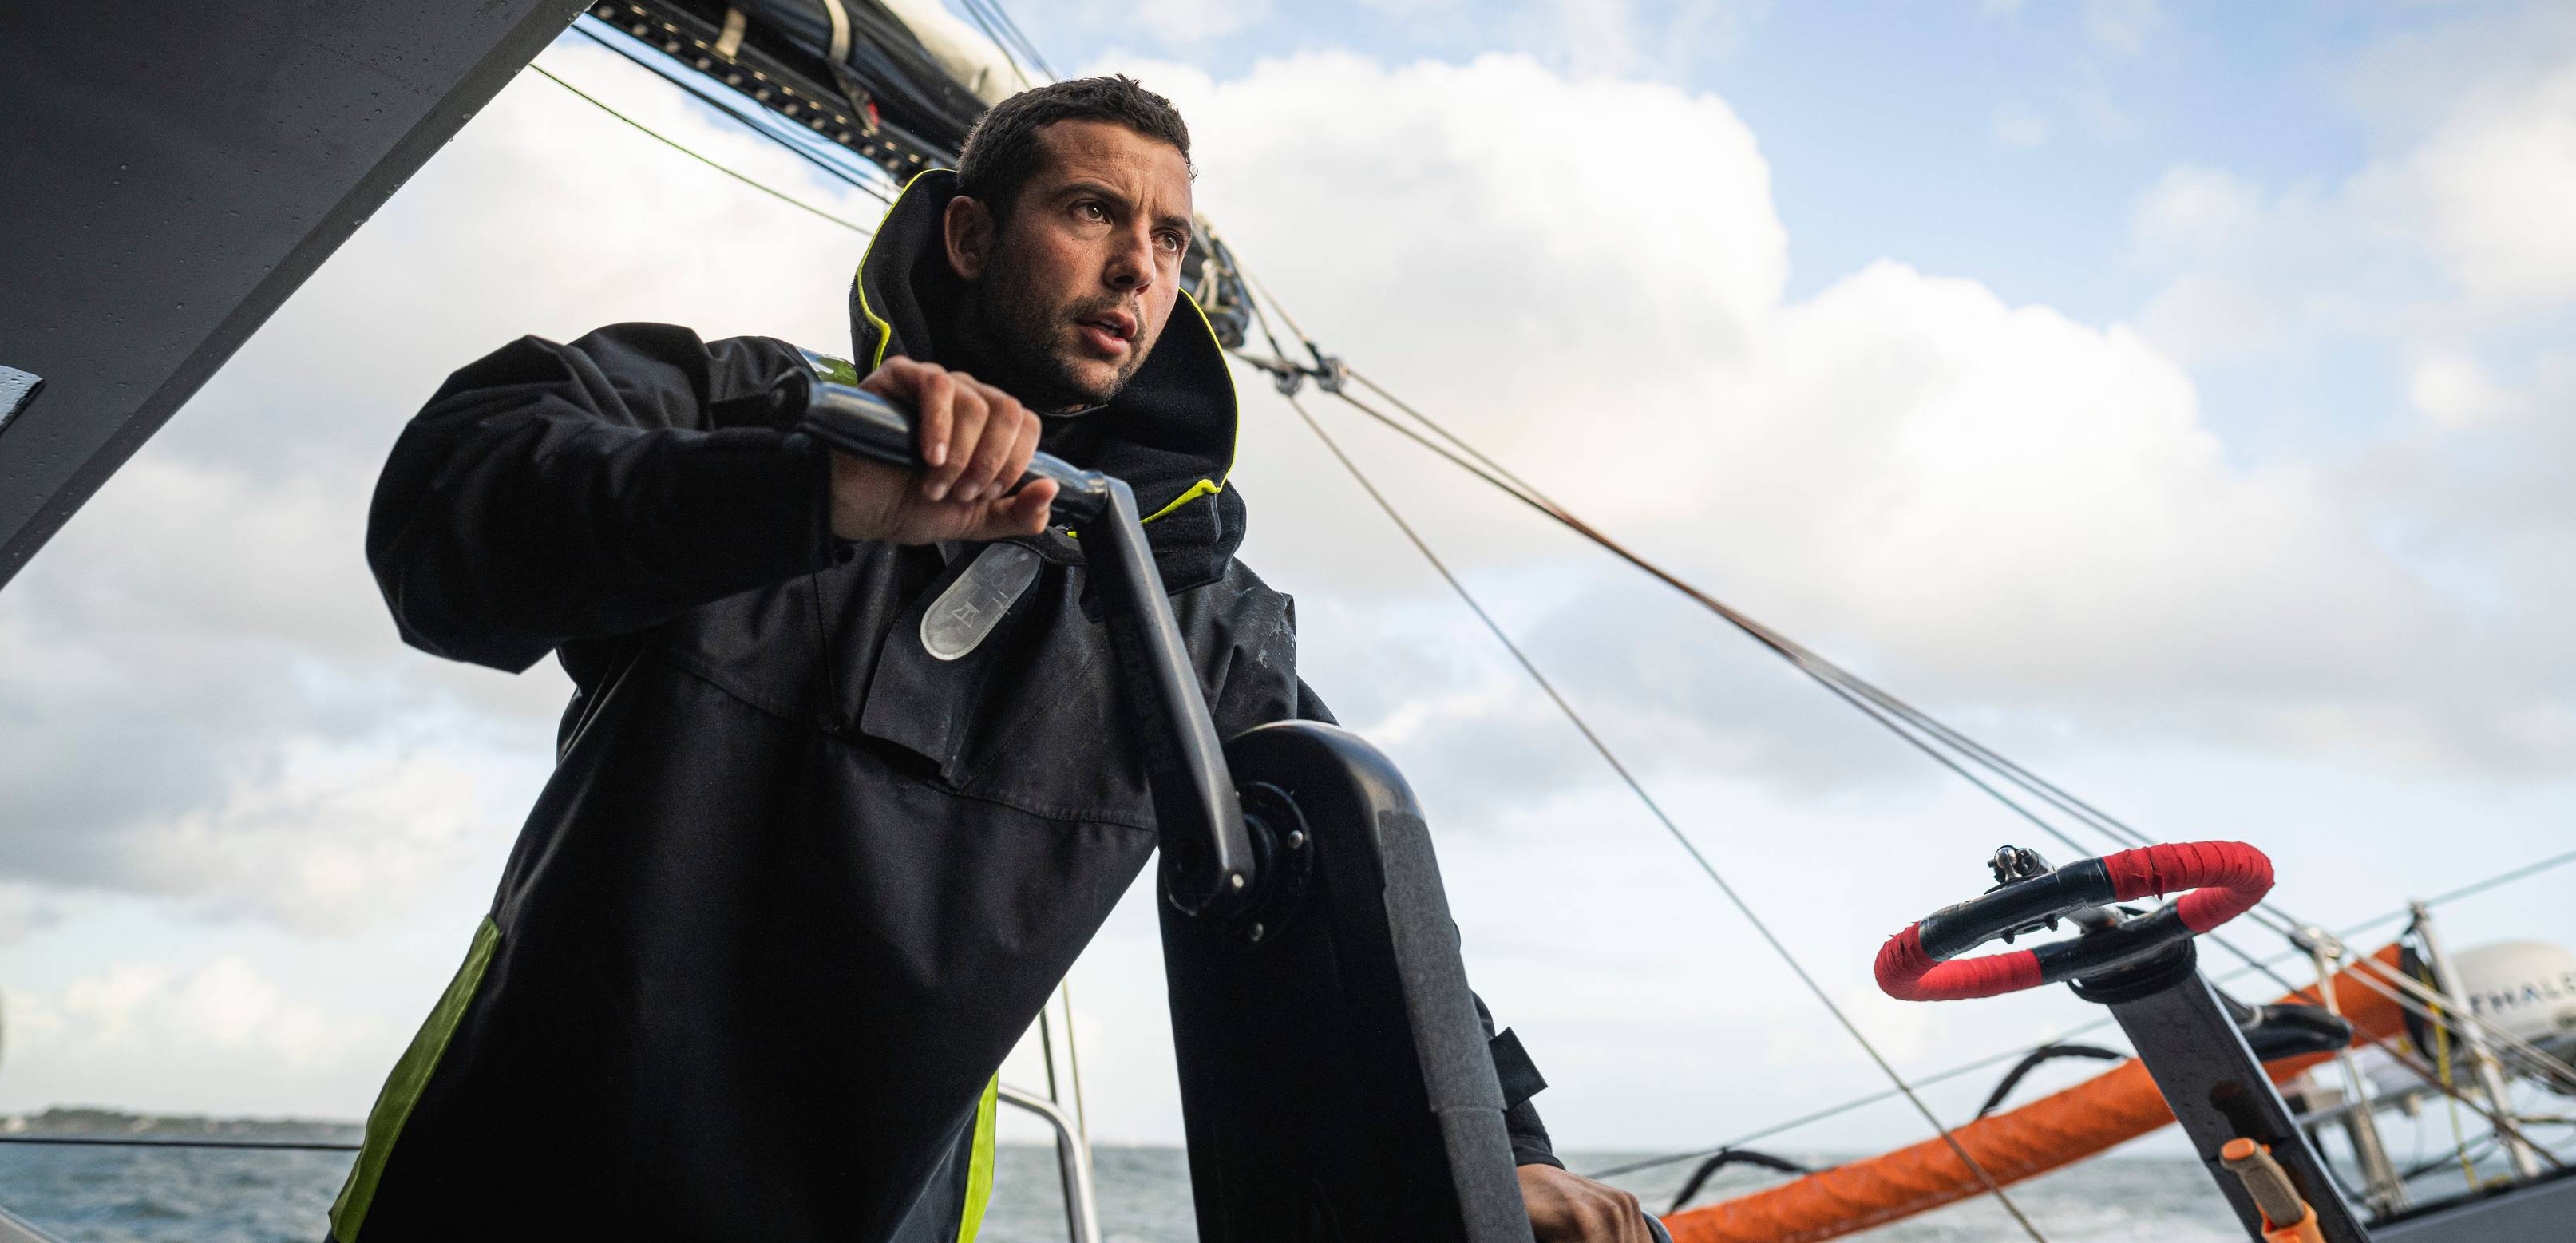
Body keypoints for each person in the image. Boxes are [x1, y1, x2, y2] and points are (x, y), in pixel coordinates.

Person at [334, 75, 1652, 1242]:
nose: (1143, 267)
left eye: (1171, 237)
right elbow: (444, 526)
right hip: (507, 1184)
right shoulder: (748, 404)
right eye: (1092, 211)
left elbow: (1351, 891)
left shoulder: (1192, 609)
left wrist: (1504, 1155)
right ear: (970, 233)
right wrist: (814, 492)